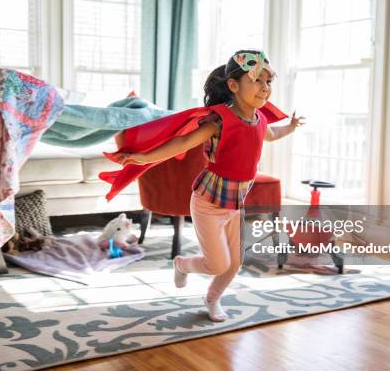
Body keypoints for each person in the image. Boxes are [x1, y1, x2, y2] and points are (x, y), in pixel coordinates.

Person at [108, 49, 305, 322]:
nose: (265, 88)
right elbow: (180, 144)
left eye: (268, 82)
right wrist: (142, 157)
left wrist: (291, 127)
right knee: (217, 263)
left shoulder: (259, 120)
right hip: (208, 204)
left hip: (235, 206)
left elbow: (272, 134)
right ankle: (182, 264)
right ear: (234, 86)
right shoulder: (220, 120)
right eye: (257, 80)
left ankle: (213, 299)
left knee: (234, 264)